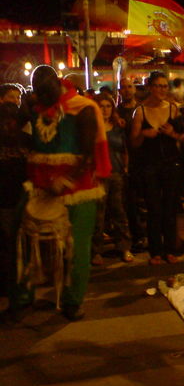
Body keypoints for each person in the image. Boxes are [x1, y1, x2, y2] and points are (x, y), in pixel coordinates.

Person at [6, 65, 111, 322]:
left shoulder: (83, 108)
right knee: (22, 241)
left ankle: (72, 301)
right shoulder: (36, 107)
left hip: (77, 190)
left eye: (44, 96)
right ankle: (22, 298)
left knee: (76, 247)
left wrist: (66, 179)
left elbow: (88, 155)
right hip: (39, 187)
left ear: (57, 86)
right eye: (37, 96)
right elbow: (21, 136)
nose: (41, 101)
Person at [130, 71, 184, 265]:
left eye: (164, 86)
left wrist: (172, 134)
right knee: (154, 208)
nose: (161, 90)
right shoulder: (140, 111)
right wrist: (145, 134)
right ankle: (156, 251)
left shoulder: (173, 109)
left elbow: (183, 137)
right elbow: (134, 142)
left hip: (170, 163)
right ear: (150, 88)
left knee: (170, 207)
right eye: (158, 86)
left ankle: (170, 249)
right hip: (149, 165)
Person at [91, 93, 133, 264]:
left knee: (119, 211)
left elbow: (124, 150)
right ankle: (96, 250)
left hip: (116, 172)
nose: (105, 110)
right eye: (102, 106)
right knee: (98, 214)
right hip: (99, 174)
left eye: (108, 106)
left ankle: (124, 247)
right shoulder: (92, 127)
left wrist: (125, 167)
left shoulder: (117, 127)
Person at [0, 103, 30, 298]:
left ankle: (22, 283)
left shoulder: (27, 141)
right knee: (6, 244)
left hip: (24, 198)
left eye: (12, 121)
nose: (8, 126)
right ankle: (8, 283)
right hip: (4, 201)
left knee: (22, 243)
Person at [116, 78, 147, 251]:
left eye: (130, 87)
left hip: (142, 157)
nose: (127, 90)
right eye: (124, 88)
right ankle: (137, 235)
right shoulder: (117, 111)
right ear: (120, 91)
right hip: (125, 159)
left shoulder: (141, 108)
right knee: (130, 200)